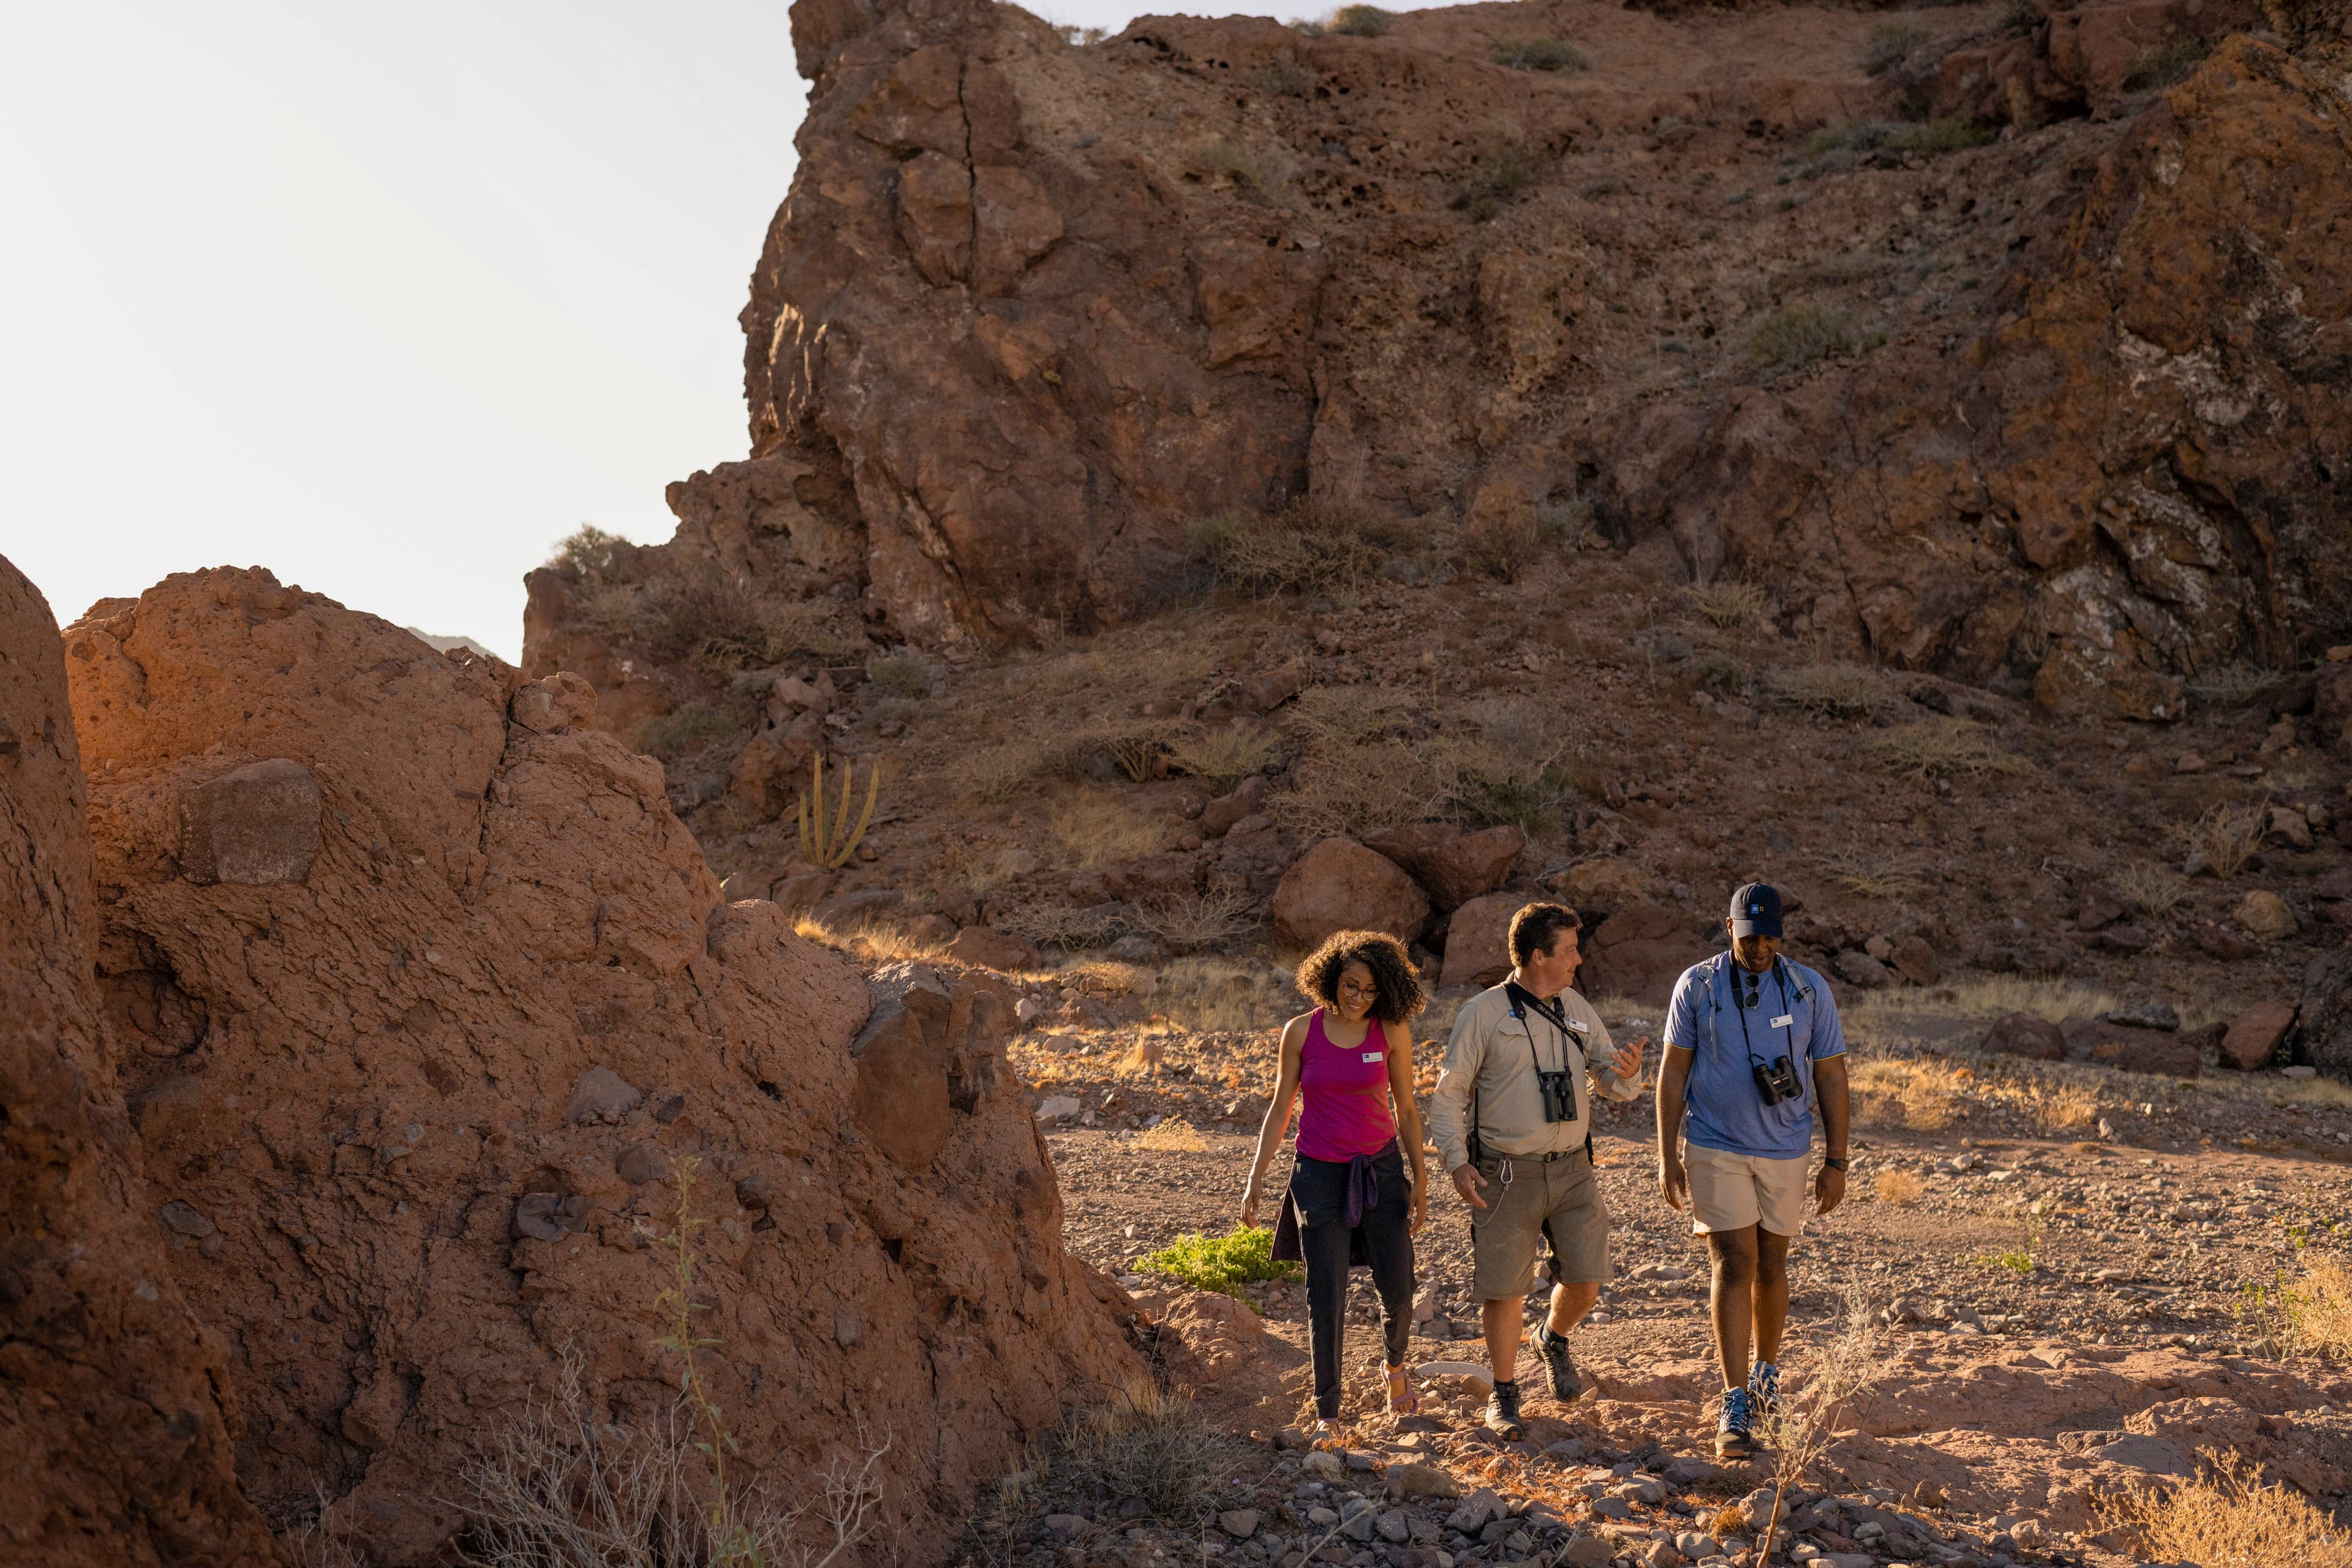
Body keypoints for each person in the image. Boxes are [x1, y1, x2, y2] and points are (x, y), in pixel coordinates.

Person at [1427, 902, 1646, 1439]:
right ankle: (1504, 1396)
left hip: (1573, 1170)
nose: (1578, 958)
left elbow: (1608, 1081)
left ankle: (1552, 1338)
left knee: (1588, 1281)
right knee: (1505, 1290)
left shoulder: (1575, 1006)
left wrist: (1627, 1076)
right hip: (1506, 1173)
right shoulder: (1483, 1013)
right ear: (1537, 956)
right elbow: (1450, 1095)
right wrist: (1457, 1161)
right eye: (1569, 949)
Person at [1656, 882, 1851, 1459]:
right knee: (1733, 1261)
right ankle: (1734, 1399)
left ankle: (1768, 1376)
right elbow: (1672, 1074)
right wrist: (1666, 1154)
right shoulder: (1698, 985)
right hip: (1716, 1143)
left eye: (1769, 937)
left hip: (1786, 1148)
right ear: (1730, 928)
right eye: (1749, 936)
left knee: (1772, 1264)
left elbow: (1832, 1076)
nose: (1759, 948)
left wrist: (1837, 1161)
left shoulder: (1808, 989)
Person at [1241, 929, 1430, 1433]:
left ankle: (1393, 1366)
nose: (1359, 998)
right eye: (1351, 985)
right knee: (1325, 1297)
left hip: (1382, 1172)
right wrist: (1257, 1177)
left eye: (1370, 990)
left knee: (1399, 1290)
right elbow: (1281, 1108)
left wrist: (1420, 1176)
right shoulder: (1301, 1033)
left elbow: (1407, 1109)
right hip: (1318, 1176)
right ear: (1331, 979)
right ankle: (1329, 1411)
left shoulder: (1390, 1032)